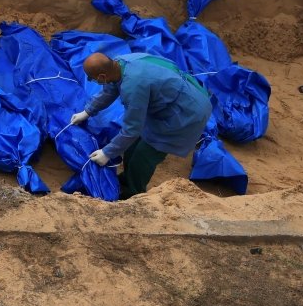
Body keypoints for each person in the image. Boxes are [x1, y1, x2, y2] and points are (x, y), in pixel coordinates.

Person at [70, 51, 213, 199]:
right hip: (173, 99)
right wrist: (87, 111)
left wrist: (107, 152)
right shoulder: (119, 63)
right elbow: (110, 90)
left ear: (102, 77)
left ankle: (133, 194)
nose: (90, 80)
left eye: (91, 78)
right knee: (131, 148)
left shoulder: (134, 86)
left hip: (186, 112)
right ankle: (127, 180)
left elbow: (132, 129)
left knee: (145, 155)